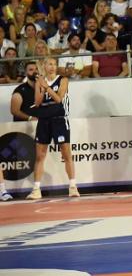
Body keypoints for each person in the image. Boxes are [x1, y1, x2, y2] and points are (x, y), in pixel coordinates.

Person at [28, 57, 79, 199]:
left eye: (54, 64)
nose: (52, 67)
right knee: (40, 155)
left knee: (66, 154)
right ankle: (36, 189)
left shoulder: (63, 79)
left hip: (59, 119)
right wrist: (40, 86)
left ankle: (73, 186)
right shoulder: (40, 81)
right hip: (44, 120)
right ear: (44, 66)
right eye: (49, 64)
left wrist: (46, 87)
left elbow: (58, 99)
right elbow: (38, 102)